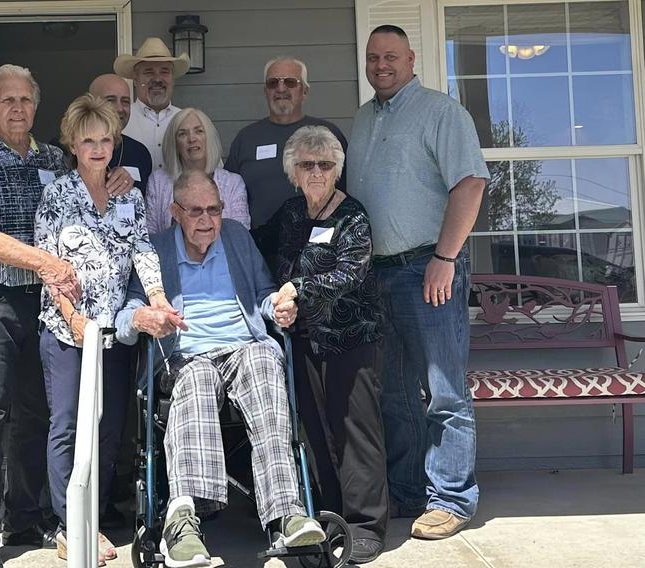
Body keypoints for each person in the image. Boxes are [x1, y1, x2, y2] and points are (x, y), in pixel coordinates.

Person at [0, 64, 134, 568]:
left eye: (25, 101)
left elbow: (88, 178)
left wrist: (113, 175)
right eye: (6, 101)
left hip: (47, 308)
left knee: (39, 416)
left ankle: (28, 514)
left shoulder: (56, 158)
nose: (17, 109)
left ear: (36, 107)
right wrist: (46, 261)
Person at [115, 170, 326, 568]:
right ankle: (184, 524)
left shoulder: (235, 238)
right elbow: (127, 316)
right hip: (184, 356)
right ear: (175, 212)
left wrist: (277, 308)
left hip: (243, 348)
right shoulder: (154, 251)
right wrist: (143, 317)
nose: (206, 220)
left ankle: (288, 513)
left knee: (266, 361)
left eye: (214, 209)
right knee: (196, 376)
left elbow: (263, 295)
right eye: (195, 211)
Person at [346, 25, 488, 540]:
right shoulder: (364, 118)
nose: (380, 65)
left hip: (429, 268)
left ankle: (452, 497)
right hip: (377, 273)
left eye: (390, 56)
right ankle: (408, 491)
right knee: (397, 393)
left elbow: (470, 184)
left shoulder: (441, 111)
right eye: (372, 57)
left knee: (444, 390)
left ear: (410, 59)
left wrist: (445, 256)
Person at [33, 94, 175, 566]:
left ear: (115, 144)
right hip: (68, 332)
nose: (97, 149)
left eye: (105, 140)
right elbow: (49, 265)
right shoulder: (57, 195)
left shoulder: (128, 195)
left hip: (114, 331)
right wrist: (74, 319)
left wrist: (156, 296)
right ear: (73, 144)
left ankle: (90, 516)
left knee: (111, 427)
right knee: (69, 426)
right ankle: (67, 526)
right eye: (88, 140)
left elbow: (142, 251)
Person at [255, 126, 388, 564]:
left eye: (325, 164)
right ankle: (332, 518)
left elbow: (350, 273)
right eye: (307, 164)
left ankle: (366, 524)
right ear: (293, 171)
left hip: (348, 337)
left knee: (355, 430)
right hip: (302, 341)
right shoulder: (291, 214)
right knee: (315, 434)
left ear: (337, 170)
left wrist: (296, 288)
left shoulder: (352, 216)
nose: (316, 171)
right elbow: (256, 246)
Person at [226, 57, 348, 230]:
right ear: (265, 91)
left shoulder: (327, 135)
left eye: (290, 82)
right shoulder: (246, 138)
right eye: (273, 83)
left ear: (304, 91)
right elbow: (228, 194)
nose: (280, 88)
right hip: (259, 248)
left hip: (318, 245)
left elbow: (345, 194)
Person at [145, 107, 250, 234]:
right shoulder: (158, 181)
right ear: (175, 144)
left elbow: (240, 236)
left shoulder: (233, 183)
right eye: (182, 134)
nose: (191, 139)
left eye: (199, 131)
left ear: (209, 138)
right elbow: (150, 236)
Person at [51, 74, 154, 195]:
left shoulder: (140, 152)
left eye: (125, 101)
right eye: (110, 100)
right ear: (92, 103)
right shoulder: (59, 149)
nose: (120, 108)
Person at [114, 37, 189, 171]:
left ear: (173, 79)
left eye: (164, 72)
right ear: (135, 80)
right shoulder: (120, 121)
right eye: (149, 72)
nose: (157, 79)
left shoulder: (188, 121)